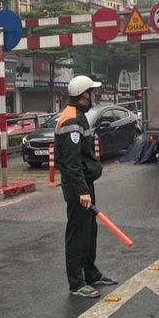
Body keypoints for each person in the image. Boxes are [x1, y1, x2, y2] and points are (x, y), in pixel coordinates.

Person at [55, 75, 117, 298]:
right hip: (76, 187)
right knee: (78, 234)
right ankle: (76, 283)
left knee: (90, 231)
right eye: (92, 93)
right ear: (84, 96)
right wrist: (82, 191)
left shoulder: (78, 115)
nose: (94, 96)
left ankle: (91, 273)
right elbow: (72, 162)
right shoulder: (71, 119)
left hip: (84, 183)